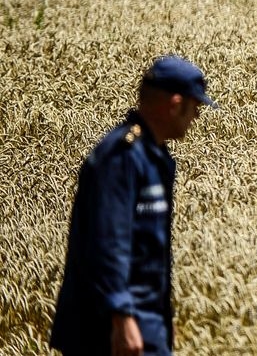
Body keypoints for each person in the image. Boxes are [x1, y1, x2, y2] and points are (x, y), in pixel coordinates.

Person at [49, 55, 217, 356]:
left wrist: (160, 320)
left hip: (143, 320)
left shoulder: (154, 157)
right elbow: (108, 242)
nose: (196, 117)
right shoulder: (122, 157)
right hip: (106, 329)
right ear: (175, 104)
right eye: (195, 108)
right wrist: (122, 318)